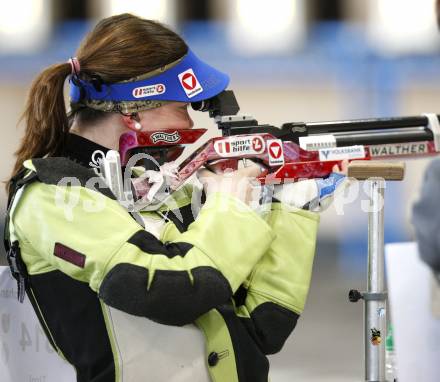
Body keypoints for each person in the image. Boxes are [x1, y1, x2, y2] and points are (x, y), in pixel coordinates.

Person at [4, 13, 331, 382]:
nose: (191, 125)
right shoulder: (51, 196)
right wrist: (229, 209)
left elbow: (264, 324)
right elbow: (172, 290)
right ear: (133, 111)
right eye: (182, 107)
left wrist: (288, 208)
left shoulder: (152, 187)